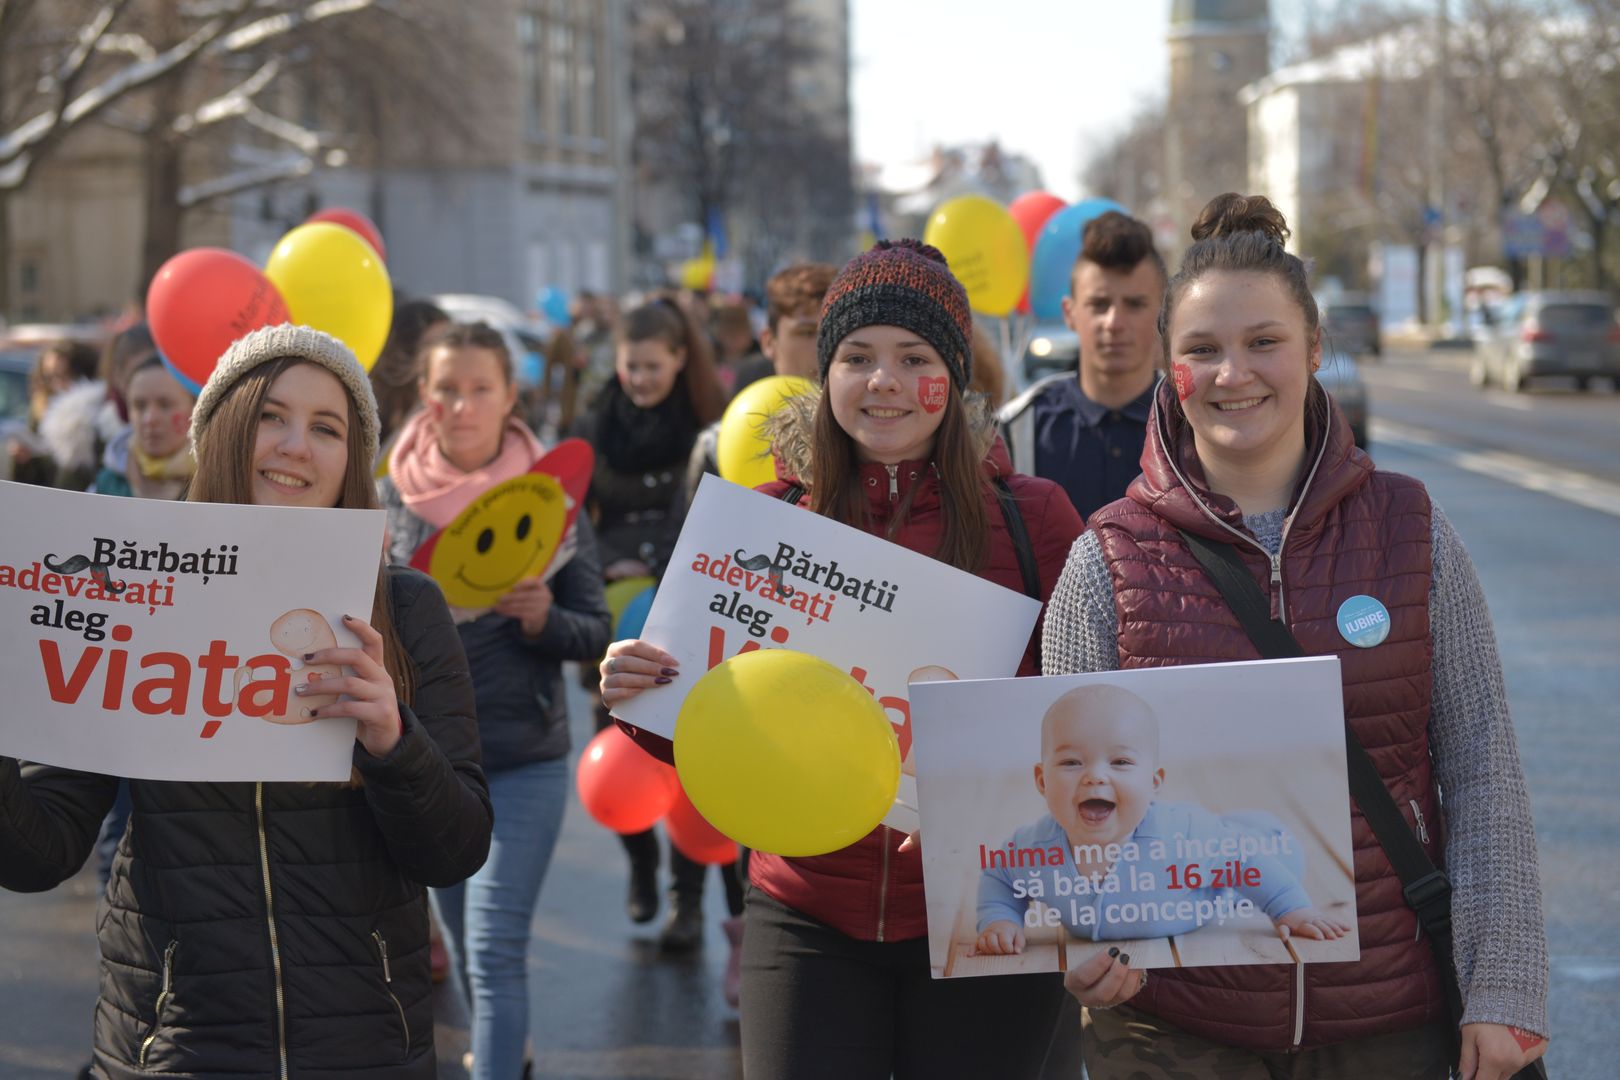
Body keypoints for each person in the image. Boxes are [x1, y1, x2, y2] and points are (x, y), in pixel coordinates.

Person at [1043, 194, 1548, 1080]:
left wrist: (1504, 987)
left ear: (1315, 352)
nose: (1234, 373)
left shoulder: (1414, 531)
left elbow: (1483, 772)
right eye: (1202, 350)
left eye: (1264, 342)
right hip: (1175, 1033)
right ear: (1170, 370)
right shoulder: (1106, 559)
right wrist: (1076, 947)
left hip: (1390, 1020)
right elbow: (1067, 816)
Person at [601, 239, 1085, 1078]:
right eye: (857, 357)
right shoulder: (757, 523)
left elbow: (1086, 713)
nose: (884, 382)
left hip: (990, 913)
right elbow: (707, 728)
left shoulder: (1034, 522)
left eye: (914, 357)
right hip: (806, 915)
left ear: (955, 376)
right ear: (824, 374)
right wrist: (641, 695)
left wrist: (971, 799)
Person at [0, 323, 494, 1079]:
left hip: (364, 1052)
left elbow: (455, 851)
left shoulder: (404, 609)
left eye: (328, 428)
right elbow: (38, 854)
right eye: (271, 415)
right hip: (174, 1050)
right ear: (225, 429)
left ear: (351, 461)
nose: (297, 445)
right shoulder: (135, 602)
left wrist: (396, 744)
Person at [379, 321, 610, 1080]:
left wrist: (545, 619)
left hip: (523, 761)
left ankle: (499, 1060)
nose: (463, 405)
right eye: (448, 388)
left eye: (481, 388)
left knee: (492, 944)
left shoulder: (550, 500)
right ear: (424, 394)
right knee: (465, 939)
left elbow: (596, 630)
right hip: (427, 765)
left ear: (512, 397)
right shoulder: (386, 498)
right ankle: (509, 1046)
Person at [973, 684, 1346, 953]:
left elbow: (1246, 858)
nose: (1095, 776)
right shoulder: (1034, 848)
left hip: (1255, 846)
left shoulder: (1181, 837)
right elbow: (999, 875)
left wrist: (1291, 908)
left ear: (1153, 784)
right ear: (1041, 780)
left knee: (1260, 850)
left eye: (1120, 762)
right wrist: (1000, 918)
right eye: (1072, 762)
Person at [575, 296, 725, 950]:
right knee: (617, 748)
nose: (640, 378)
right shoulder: (593, 426)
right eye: (630, 365)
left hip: (682, 609)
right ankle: (640, 864)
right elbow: (573, 520)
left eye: (652, 366)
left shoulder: (705, 427)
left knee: (687, 760)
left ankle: (685, 901)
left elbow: (716, 511)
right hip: (610, 615)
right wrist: (602, 566)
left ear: (680, 359)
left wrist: (663, 563)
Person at [999, 211, 1167, 520]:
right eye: (1099, 305)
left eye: (1134, 304)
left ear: (1162, 313)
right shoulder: (1017, 429)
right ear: (1070, 312)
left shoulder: (1192, 420)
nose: (1114, 322)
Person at [682, 262, 835, 507]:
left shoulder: (875, 440)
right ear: (768, 342)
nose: (823, 347)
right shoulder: (717, 442)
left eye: (834, 333)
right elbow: (693, 537)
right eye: (807, 333)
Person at [90, 353, 195, 499]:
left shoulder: (216, 482)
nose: (150, 419)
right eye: (139, 406)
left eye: (165, 405)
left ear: (195, 408)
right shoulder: (106, 484)